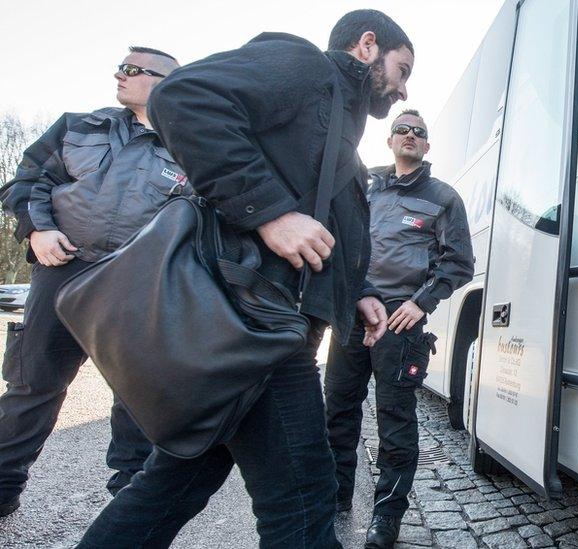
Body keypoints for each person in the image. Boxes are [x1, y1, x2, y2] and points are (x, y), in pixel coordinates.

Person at [76, 10, 413, 547]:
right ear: (368, 46)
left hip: (271, 326)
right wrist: (270, 213)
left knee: (176, 484)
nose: (401, 89)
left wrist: (363, 294)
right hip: (252, 324)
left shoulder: (342, 139)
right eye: (402, 68)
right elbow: (182, 99)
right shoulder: (302, 64)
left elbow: (326, 236)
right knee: (304, 500)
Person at [0, 47, 183, 517]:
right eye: (120, 67)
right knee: (31, 387)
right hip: (62, 273)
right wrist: (38, 229)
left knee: (138, 401)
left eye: (132, 70)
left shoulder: (192, 145)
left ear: (165, 83)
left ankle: (129, 510)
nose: (119, 75)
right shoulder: (79, 126)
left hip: (136, 287)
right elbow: (26, 182)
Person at [325, 109, 473, 548]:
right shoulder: (364, 187)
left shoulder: (443, 197)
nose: (410, 135)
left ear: (427, 146)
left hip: (399, 322)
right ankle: (336, 498)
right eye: (402, 129)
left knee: (394, 421)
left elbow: (459, 263)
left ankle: (386, 517)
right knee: (338, 411)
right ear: (389, 139)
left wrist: (419, 302)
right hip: (351, 314)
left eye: (419, 132)